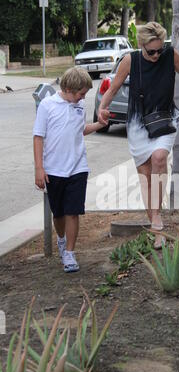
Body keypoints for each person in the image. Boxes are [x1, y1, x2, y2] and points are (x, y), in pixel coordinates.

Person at [98, 22, 179, 249]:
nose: (156, 55)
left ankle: (157, 217)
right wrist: (102, 108)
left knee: (160, 159)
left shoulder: (170, 55)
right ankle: (156, 229)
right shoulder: (131, 60)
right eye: (151, 51)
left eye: (160, 50)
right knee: (146, 178)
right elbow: (112, 89)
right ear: (141, 45)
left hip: (164, 119)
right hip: (138, 124)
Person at [33, 67, 109, 272]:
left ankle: (69, 253)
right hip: (54, 170)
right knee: (58, 214)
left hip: (78, 167)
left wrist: (100, 124)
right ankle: (61, 238)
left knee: (73, 212)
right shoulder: (47, 106)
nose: (83, 97)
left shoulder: (79, 105)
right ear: (68, 88)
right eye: (81, 93)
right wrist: (39, 168)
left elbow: (81, 129)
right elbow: (38, 137)